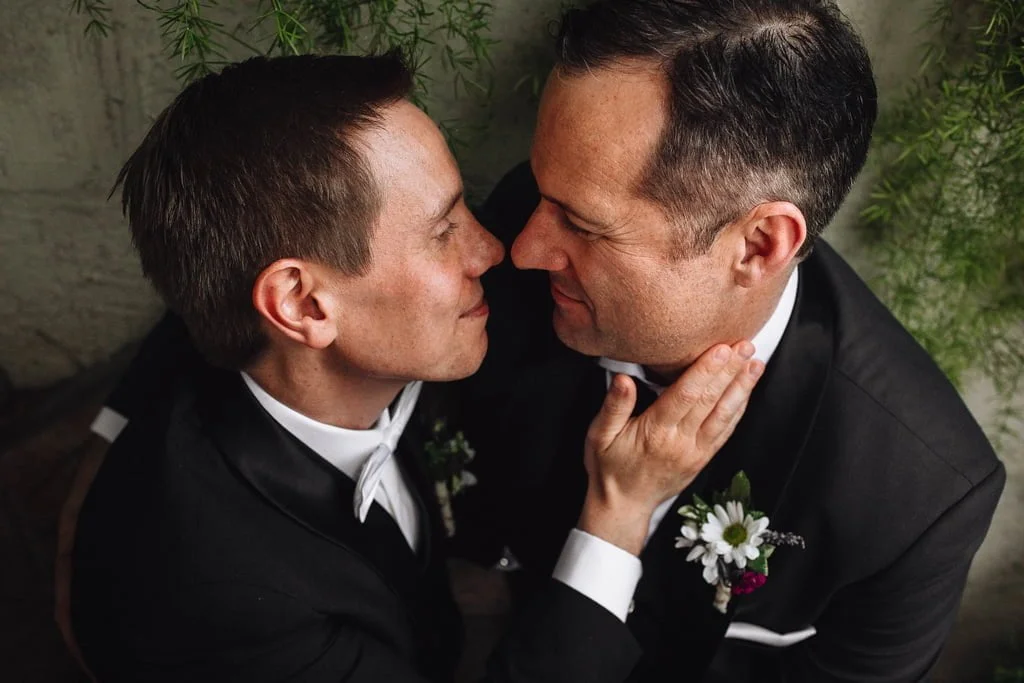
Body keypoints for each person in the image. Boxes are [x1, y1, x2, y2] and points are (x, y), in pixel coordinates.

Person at [63, 51, 761, 683]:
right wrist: (619, 509)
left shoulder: (260, 321)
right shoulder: (226, 605)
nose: (497, 250)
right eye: (443, 230)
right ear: (303, 304)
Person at [454, 0, 1006, 681]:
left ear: (759, 246)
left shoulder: (916, 492)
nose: (522, 250)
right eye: (544, 194)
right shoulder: (521, 227)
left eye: (584, 225)